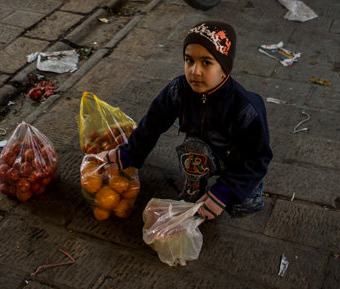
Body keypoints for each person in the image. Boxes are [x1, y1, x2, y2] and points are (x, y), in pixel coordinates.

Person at [103, 20, 272, 220]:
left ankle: (231, 187)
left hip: (236, 159)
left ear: (225, 68)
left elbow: (258, 158)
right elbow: (152, 124)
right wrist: (129, 155)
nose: (195, 71)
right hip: (201, 152)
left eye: (206, 62)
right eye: (189, 60)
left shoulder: (245, 109)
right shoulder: (178, 90)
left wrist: (224, 192)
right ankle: (194, 190)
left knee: (244, 203)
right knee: (194, 152)